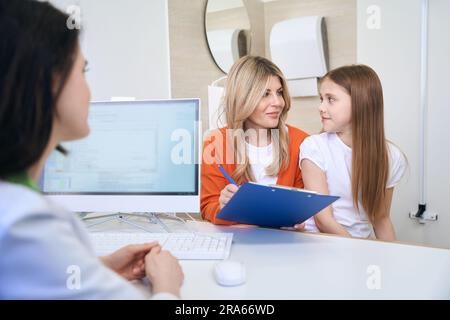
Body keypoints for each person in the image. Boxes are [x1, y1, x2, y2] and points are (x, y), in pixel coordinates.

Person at [0, 0, 183, 299]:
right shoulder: (25, 222)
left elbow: (29, 274)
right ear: (50, 81)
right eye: (83, 70)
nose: (89, 89)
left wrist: (99, 268)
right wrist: (167, 284)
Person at [299, 65, 406, 240]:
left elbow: (380, 218)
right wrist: (359, 252)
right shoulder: (314, 147)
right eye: (321, 99)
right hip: (319, 243)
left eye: (331, 99)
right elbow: (323, 220)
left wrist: (390, 257)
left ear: (360, 103)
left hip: (357, 245)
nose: (321, 107)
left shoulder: (392, 157)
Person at [201, 56, 309, 226]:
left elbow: (307, 208)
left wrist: (300, 221)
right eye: (265, 94)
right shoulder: (215, 144)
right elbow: (208, 207)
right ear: (242, 98)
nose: (277, 102)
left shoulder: (301, 142)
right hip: (241, 245)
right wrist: (223, 207)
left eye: (279, 92)